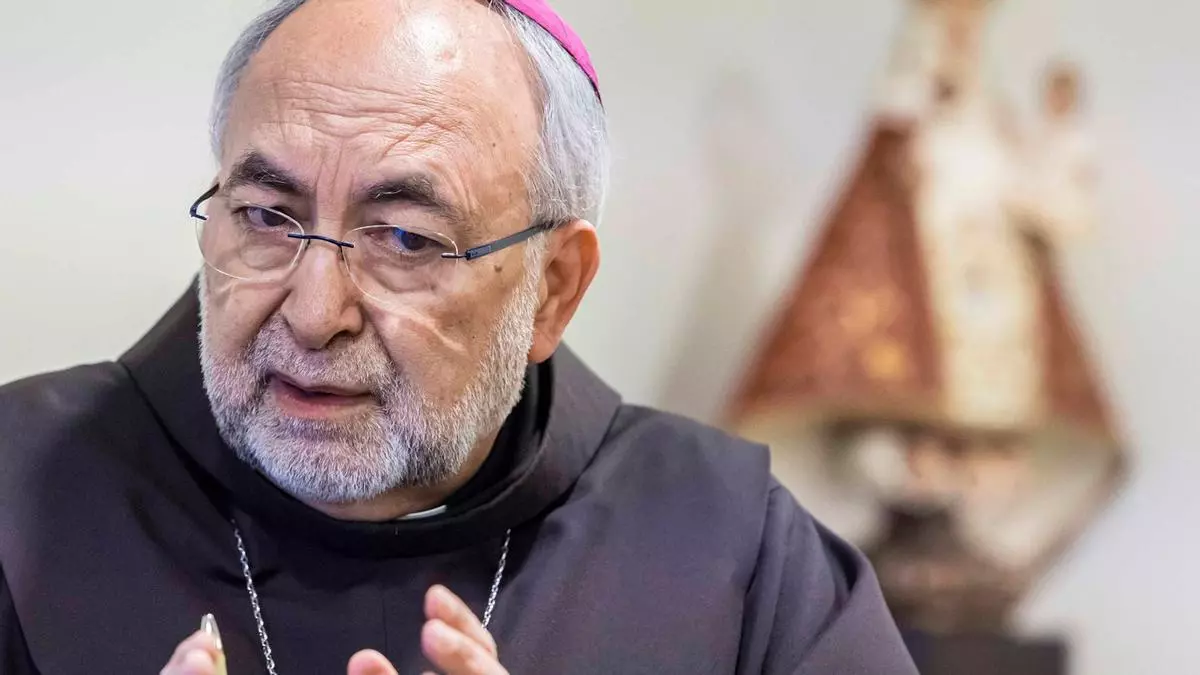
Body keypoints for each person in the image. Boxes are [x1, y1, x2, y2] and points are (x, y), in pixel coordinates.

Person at [0, 0, 917, 673]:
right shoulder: (20, 488)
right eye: (268, 215)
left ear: (553, 288)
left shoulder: (735, 553)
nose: (314, 313)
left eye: (405, 239)